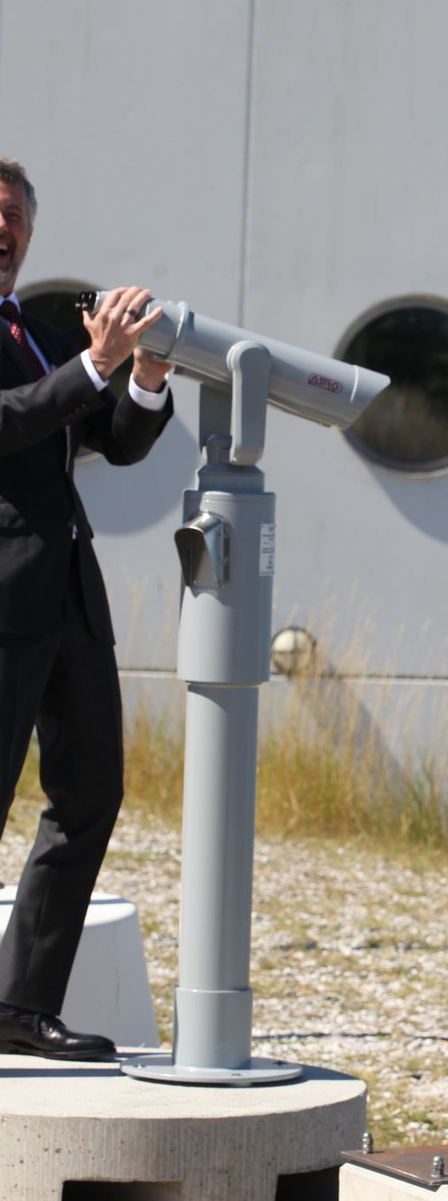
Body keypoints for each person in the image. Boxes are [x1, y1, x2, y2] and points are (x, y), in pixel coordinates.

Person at [0, 156, 172, 1060]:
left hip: (67, 595)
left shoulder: (27, 326)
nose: (6, 229)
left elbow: (112, 440)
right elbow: (8, 419)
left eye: (17, 216)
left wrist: (141, 375)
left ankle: (21, 1006)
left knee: (92, 790)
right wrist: (94, 363)